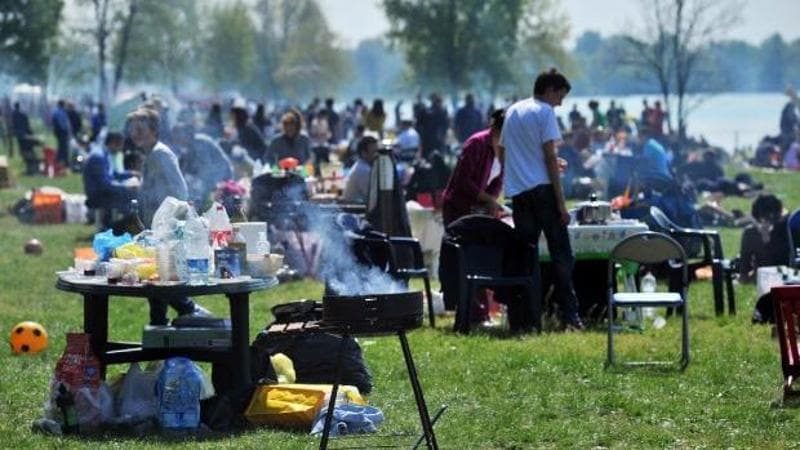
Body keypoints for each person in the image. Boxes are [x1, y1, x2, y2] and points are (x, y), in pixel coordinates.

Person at [501, 68, 584, 331]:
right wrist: (561, 204)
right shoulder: (545, 112)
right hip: (544, 192)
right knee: (562, 255)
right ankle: (570, 316)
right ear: (549, 90)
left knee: (528, 257)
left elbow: (503, 151)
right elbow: (549, 156)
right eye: (560, 96)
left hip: (519, 193)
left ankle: (528, 318)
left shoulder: (513, 110)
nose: (560, 103)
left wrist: (519, 174)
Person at [127, 107, 210, 326]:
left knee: (162, 282)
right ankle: (160, 328)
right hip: (156, 228)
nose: (135, 132)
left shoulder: (160, 155)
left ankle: (192, 313)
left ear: (154, 129)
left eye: (141, 128)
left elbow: (179, 192)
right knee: (156, 285)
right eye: (132, 128)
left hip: (166, 230)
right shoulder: (151, 154)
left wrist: (170, 225)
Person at [442, 109, 505, 226]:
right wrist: (489, 199)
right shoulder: (476, 143)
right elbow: (463, 180)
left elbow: (498, 181)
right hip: (458, 208)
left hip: (479, 210)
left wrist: (490, 201)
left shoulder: (505, 149)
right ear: (496, 129)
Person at [82, 131, 138, 230]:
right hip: (98, 196)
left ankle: (117, 225)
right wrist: (126, 187)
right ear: (112, 143)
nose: (121, 149)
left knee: (131, 194)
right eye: (120, 145)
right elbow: (105, 185)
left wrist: (132, 174)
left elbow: (113, 174)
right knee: (132, 199)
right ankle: (122, 227)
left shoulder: (103, 153)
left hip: (103, 191)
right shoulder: (98, 157)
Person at [172, 123, 234, 209]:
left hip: (223, 177)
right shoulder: (189, 146)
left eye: (178, 137)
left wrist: (201, 193)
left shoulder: (200, 143)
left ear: (186, 135)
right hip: (213, 178)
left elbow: (206, 170)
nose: (177, 141)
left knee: (208, 203)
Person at [738, 194, 790, 283]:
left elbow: (744, 269)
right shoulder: (789, 226)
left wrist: (766, 239)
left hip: (773, 273)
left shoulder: (751, 233)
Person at [342, 135, 379, 204]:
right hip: (356, 210)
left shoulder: (361, 166)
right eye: (374, 152)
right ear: (364, 153)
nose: (377, 155)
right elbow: (373, 197)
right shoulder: (363, 170)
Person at [51, 99, 72, 166]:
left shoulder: (55, 112)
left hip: (58, 132)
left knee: (61, 146)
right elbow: (64, 124)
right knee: (64, 147)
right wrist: (67, 131)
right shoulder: (62, 112)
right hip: (62, 132)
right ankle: (63, 161)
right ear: (63, 105)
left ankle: (59, 160)